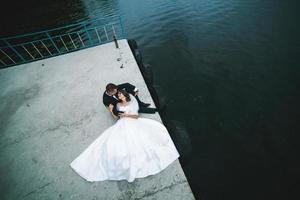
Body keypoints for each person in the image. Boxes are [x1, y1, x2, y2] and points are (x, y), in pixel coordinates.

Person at [70, 90, 179, 182]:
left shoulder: (132, 102)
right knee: (114, 143)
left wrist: (126, 115)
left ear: (125, 95)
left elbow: (136, 116)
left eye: (120, 95)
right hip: (122, 123)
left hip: (132, 121)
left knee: (140, 140)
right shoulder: (117, 105)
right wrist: (112, 111)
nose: (119, 96)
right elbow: (116, 117)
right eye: (118, 95)